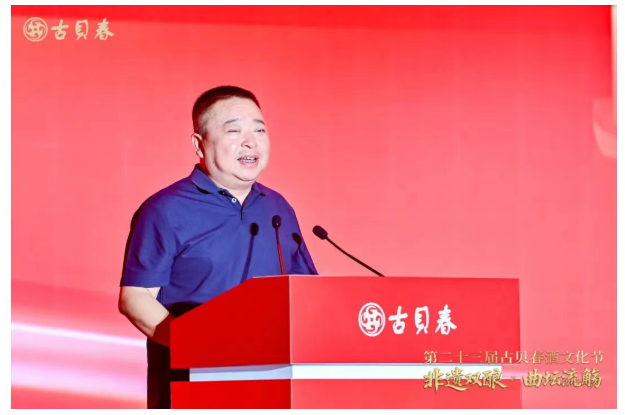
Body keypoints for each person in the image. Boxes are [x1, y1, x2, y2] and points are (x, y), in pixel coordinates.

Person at [118, 85, 318, 409]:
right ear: (199, 144)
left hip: (273, 386)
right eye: (234, 131)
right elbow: (136, 297)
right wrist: (200, 347)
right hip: (194, 387)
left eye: (259, 130)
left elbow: (305, 292)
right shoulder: (166, 209)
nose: (250, 142)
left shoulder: (278, 208)